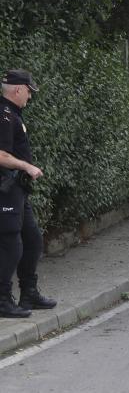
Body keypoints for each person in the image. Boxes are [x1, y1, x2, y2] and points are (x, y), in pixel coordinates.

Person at [0, 69, 56, 318]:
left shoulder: (12, 114)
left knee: (32, 240)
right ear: (18, 89)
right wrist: (26, 166)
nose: (30, 97)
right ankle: (2, 300)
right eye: (29, 92)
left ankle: (29, 293)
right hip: (5, 190)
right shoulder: (3, 115)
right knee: (10, 244)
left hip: (17, 190)